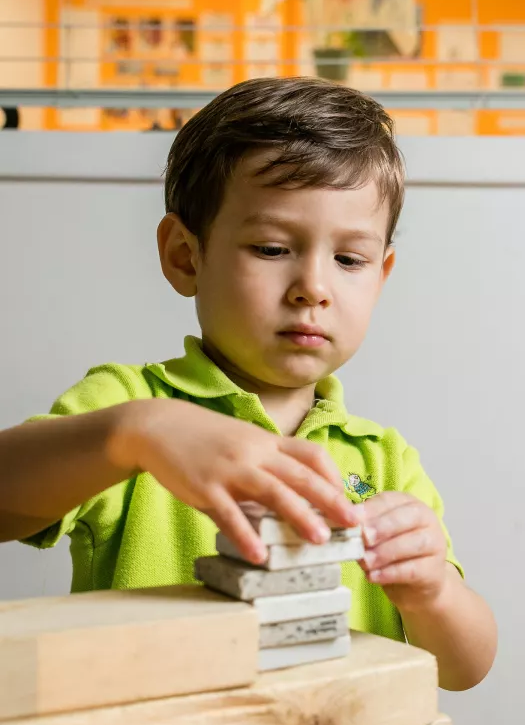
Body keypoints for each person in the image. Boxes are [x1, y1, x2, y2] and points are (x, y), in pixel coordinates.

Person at [0, 77, 497, 693]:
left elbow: (463, 669)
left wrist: (433, 592)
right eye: (270, 247)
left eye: (349, 260)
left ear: (382, 275)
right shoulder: (130, 411)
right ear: (185, 256)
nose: (313, 286)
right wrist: (136, 435)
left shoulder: (383, 459)